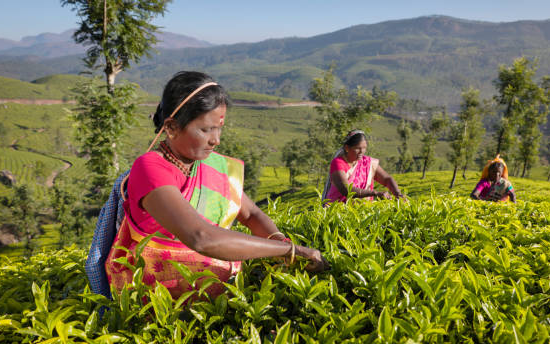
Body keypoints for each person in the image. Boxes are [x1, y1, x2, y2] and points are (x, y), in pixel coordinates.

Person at [86, 71, 328, 300]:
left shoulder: (210, 166)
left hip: (212, 298)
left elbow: (252, 214)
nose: (216, 139)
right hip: (156, 308)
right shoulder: (150, 168)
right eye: (205, 129)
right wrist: (289, 251)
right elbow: (201, 238)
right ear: (170, 127)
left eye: (219, 128)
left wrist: (282, 244)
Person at [321, 129, 405, 203]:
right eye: (357, 148)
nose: (362, 151)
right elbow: (346, 190)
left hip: (362, 210)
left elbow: (387, 179)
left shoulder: (367, 163)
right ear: (347, 148)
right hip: (338, 210)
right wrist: (375, 193)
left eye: (364, 148)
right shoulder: (338, 163)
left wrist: (398, 194)